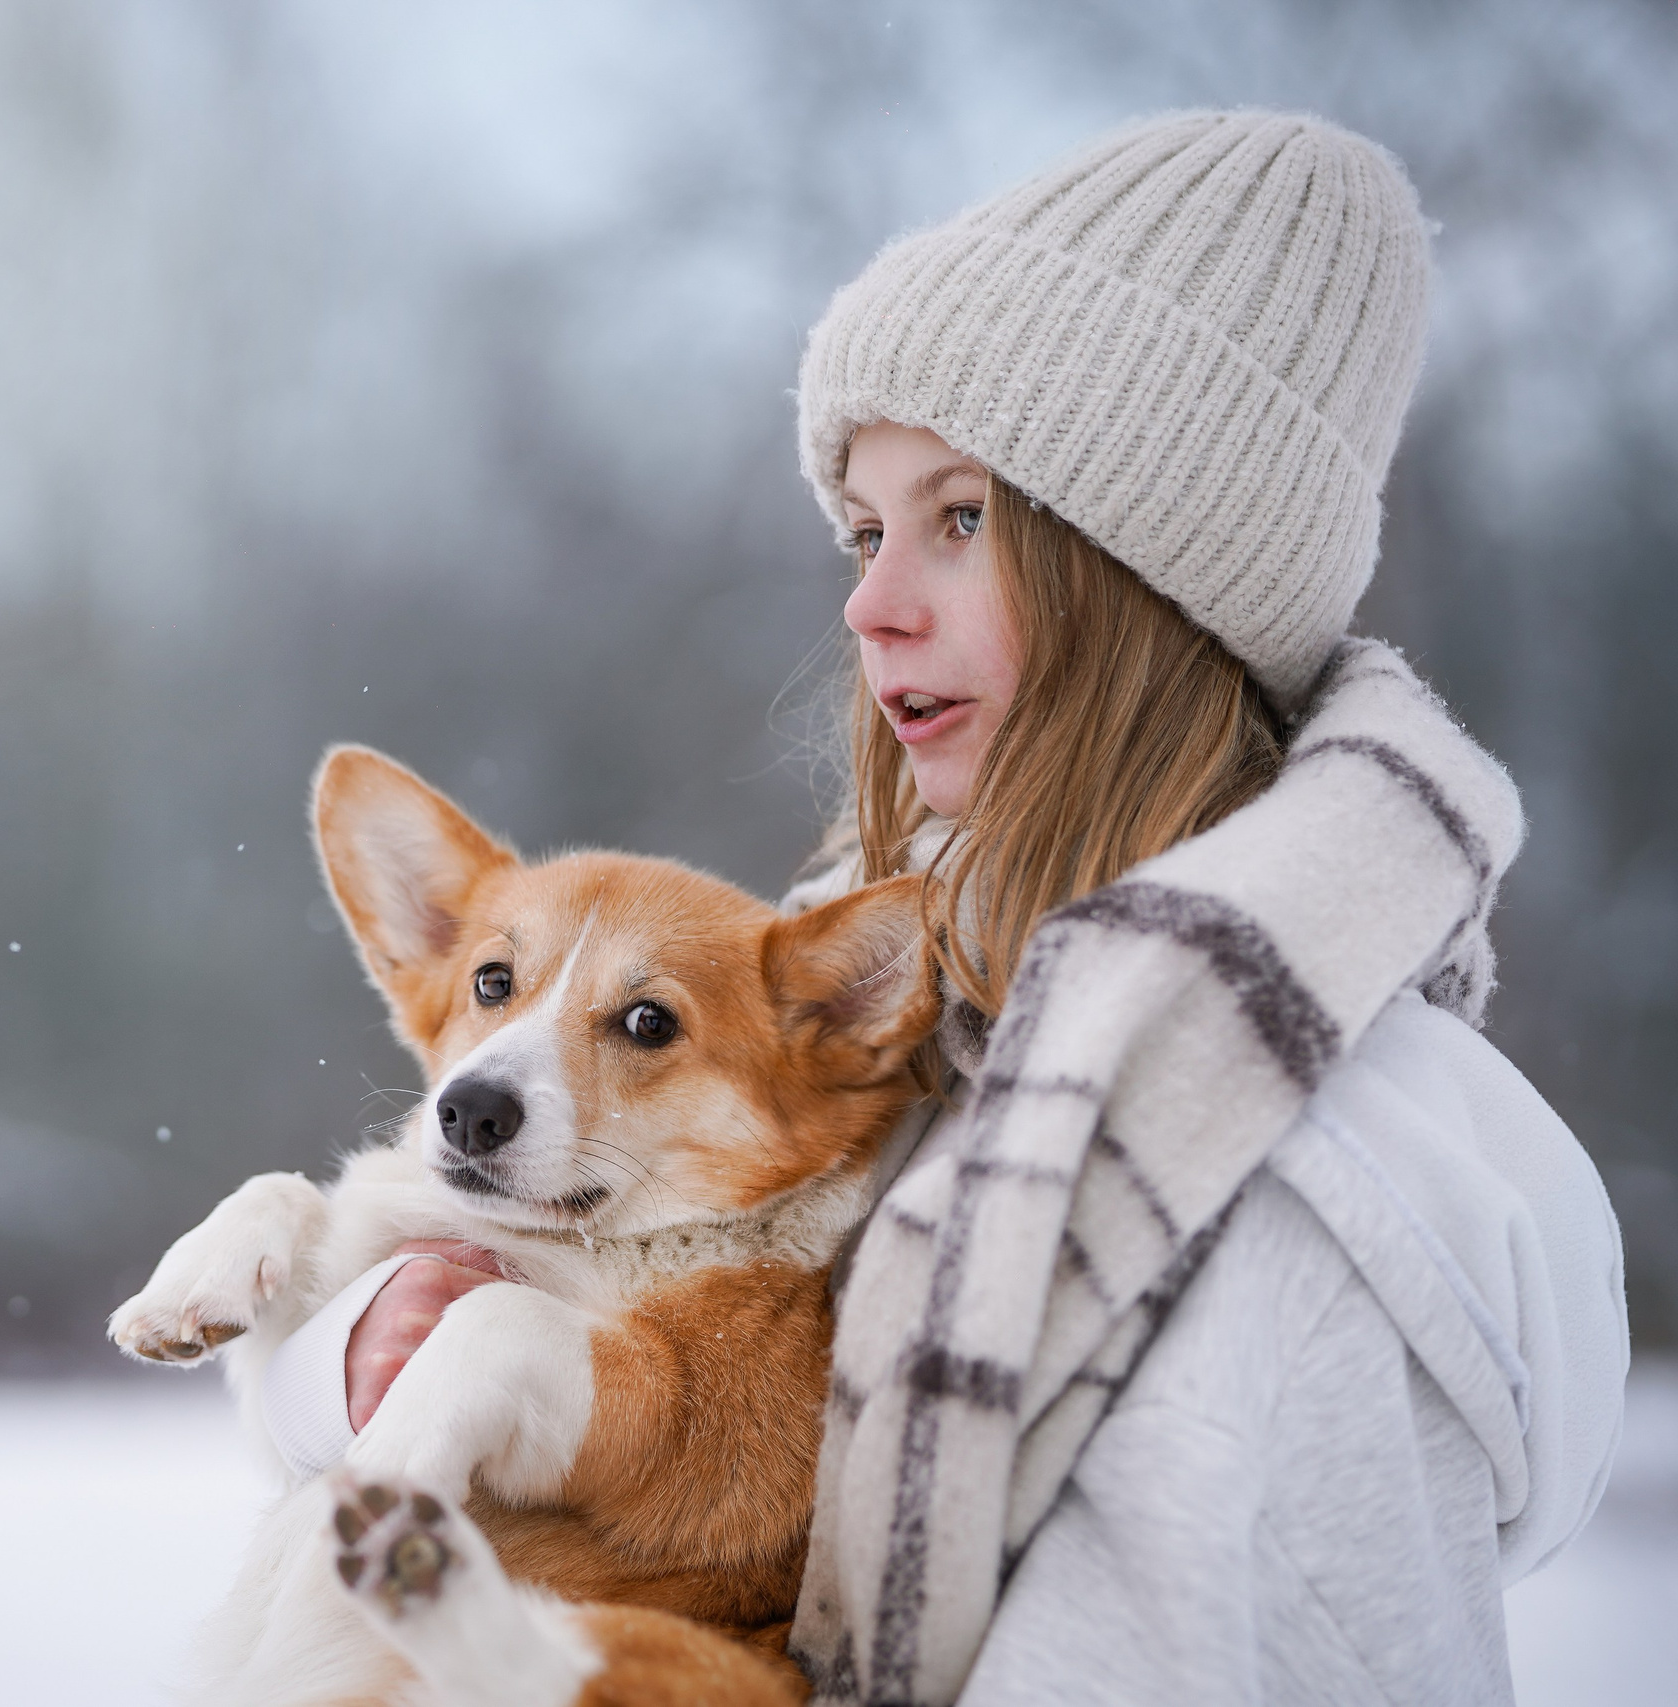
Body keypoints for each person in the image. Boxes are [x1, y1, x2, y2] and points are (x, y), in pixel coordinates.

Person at [263, 110, 1627, 1704]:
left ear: (1147, 571)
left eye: (961, 519)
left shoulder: (1296, 1176)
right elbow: (633, 1459)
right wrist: (352, 1357)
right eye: (863, 527)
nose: (866, 603)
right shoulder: (932, 1019)